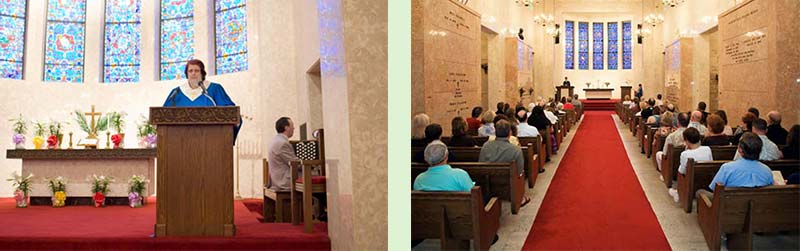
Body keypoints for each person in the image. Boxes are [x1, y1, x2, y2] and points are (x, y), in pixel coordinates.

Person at [164, 59, 242, 142]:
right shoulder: (176, 92)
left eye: (197, 70)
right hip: (180, 141)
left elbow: (231, 112)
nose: (193, 73)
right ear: (187, 74)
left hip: (212, 141)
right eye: (190, 71)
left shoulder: (214, 89)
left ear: (202, 73)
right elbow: (163, 114)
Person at [479, 120, 530, 206]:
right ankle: (520, 198)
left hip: (488, 183)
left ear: (495, 132)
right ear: (510, 133)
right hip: (508, 184)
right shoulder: (516, 149)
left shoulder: (486, 146)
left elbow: (480, 163)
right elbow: (520, 171)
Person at [706, 132, 773, 192]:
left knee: (700, 193)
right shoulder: (767, 170)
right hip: (758, 204)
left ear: (740, 150)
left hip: (729, 204)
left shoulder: (727, 168)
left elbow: (714, 189)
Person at [267, 117, 300, 191]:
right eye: (292, 126)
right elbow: (295, 164)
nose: (293, 128)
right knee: (313, 180)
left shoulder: (276, 140)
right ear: (286, 128)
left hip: (277, 179)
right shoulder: (283, 143)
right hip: (284, 182)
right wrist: (312, 166)